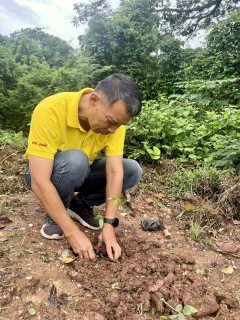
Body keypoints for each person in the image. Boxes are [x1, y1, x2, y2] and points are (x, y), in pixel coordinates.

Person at [24, 73, 142, 262]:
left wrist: (109, 224)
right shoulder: (50, 110)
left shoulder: (115, 126)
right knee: (76, 160)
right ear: (94, 100)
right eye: (111, 121)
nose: (113, 130)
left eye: (119, 125)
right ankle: (56, 215)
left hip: (80, 171)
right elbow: (39, 180)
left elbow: (114, 172)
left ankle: (79, 205)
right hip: (43, 174)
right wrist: (72, 232)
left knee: (132, 170)